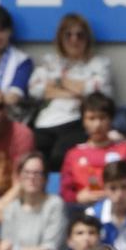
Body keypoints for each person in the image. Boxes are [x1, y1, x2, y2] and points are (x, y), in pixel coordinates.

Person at [29, 14, 113, 170]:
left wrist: (59, 83)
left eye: (80, 35)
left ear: (87, 39)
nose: (74, 40)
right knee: (33, 154)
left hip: (76, 121)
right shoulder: (49, 62)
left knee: (59, 156)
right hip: (45, 121)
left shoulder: (99, 63)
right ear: (60, 38)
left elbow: (99, 92)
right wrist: (78, 90)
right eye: (68, 35)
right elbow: (35, 89)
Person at [61, 93, 126, 206]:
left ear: (110, 120)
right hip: (83, 209)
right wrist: (77, 197)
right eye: (91, 118)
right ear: (83, 121)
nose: (97, 124)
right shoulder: (73, 154)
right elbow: (64, 192)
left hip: (120, 207)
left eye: (102, 118)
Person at [1, 154, 68, 250]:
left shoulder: (55, 205)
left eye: (37, 173)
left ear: (45, 178)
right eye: (26, 172)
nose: (31, 177)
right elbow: (5, 245)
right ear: (19, 177)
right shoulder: (11, 208)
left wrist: (16, 249)